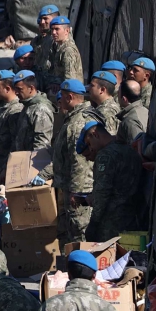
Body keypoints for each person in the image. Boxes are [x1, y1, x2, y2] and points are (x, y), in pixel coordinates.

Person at [38, 79, 100, 246]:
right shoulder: (73, 118)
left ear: (70, 97)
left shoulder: (78, 122)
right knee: (67, 235)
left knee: (78, 236)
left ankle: (78, 270)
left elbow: (79, 160)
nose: (60, 100)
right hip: (69, 188)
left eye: (63, 97)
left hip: (77, 191)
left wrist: (77, 194)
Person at [77, 121, 142, 242]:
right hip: (133, 218)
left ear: (95, 134)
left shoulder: (105, 156)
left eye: (89, 143)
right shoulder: (128, 149)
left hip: (111, 224)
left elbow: (102, 193)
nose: (90, 148)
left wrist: (94, 223)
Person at [12, 70, 54, 152]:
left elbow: (42, 143)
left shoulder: (40, 109)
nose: (16, 92)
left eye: (19, 89)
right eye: (15, 89)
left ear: (31, 88)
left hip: (31, 161)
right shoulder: (28, 105)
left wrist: (33, 162)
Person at [46, 16, 83, 93]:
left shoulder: (68, 50)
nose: (53, 32)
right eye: (52, 29)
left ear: (67, 31)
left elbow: (70, 79)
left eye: (57, 29)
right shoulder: (59, 47)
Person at [116, 79, 149, 145]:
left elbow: (136, 148)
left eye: (118, 93)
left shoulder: (130, 121)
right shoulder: (145, 111)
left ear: (124, 99)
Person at [31, 5, 58, 77]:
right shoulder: (41, 40)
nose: (42, 22)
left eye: (45, 19)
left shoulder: (58, 40)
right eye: (41, 20)